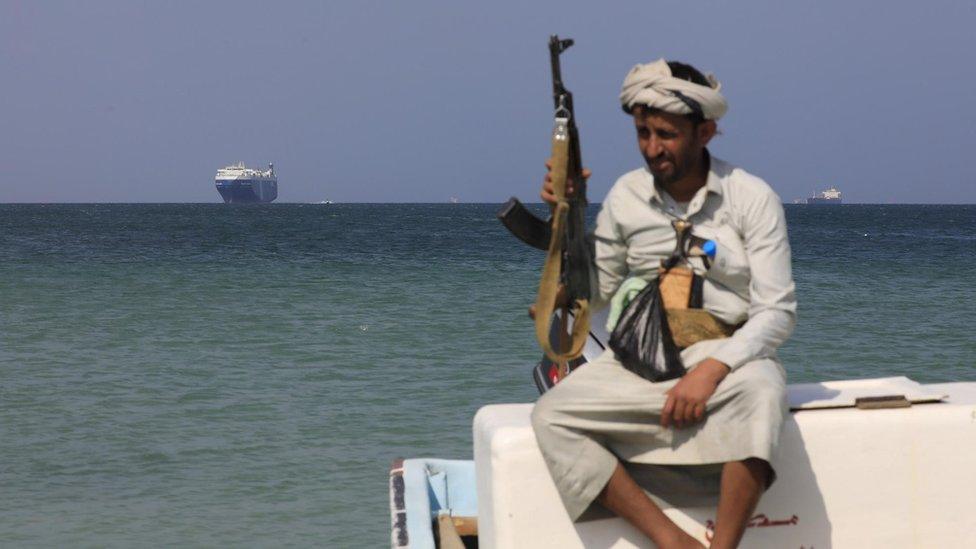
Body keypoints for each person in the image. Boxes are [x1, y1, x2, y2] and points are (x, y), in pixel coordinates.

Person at [531, 59, 796, 549]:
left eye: (667, 134)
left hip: (723, 354)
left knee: (760, 395)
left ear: (706, 131)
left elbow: (777, 312)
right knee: (552, 416)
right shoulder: (626, 196)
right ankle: (672, 542)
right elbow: (597, 291)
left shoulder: (751, 198)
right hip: (641, 357)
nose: (653, 148)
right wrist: (565, 217)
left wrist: (712, 369)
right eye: (643, 133)